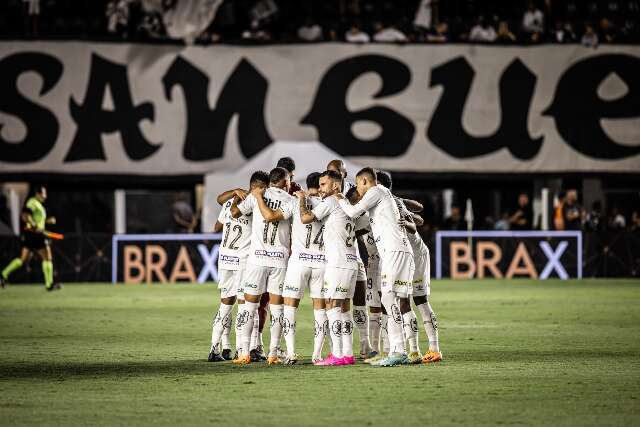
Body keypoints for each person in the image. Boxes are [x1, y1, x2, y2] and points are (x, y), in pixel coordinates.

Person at [335, 168, 415, 367]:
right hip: (400, 250)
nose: (358, 190)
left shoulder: (375, 191)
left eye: (357, 183)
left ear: (364, 180)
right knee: (395, 299)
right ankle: (400, 350)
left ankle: (399, 351)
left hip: (393, 252)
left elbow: (353, 211)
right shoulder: (383, 195)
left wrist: (340, 199)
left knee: (388, 297)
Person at [231, 167, 296, 365]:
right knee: (277, 309)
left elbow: (234, 212)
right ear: (286, 182)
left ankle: (244, 352)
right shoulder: (291, 200)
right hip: (279, 261)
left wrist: (240, 194)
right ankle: (273, 353)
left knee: (248, 307)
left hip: (257, 260)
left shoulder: (257, 194)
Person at [376, 171, 442, 364]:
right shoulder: (390, 202)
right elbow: (420, 215)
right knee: (408, 300)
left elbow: (416, 222)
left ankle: (426, 349)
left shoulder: (390, 202)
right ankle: (418, 350)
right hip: (411, 252)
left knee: (413, 299)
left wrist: (405, 216)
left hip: (412, 253)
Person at [208, 171, 269, 362]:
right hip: (243, 259)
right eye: (265, 189)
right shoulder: (255, 203)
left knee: (225, 304)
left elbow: (216, 227)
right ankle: (245, 350)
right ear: (260, 187)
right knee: (248, 304)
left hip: (225, 258)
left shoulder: (230, 201)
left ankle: (214, 348)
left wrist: (233, 197)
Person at [299, 170, 358, 366]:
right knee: (343, 308)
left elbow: (306, 218)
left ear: (335, 186)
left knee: (332, 306)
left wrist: (302, 199)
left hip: (338, 263)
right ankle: (347, 354)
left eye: (323, 184)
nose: (320, 188)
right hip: (351, 262)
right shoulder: (346, 203)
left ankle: (337, 355)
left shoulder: (332, 201)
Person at [281, 172, 327, 364]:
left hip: (299, 262)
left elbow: (274, 217)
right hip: (322, 263)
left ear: (307, 185)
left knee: (290, 307)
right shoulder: (329, 204)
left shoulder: (294, 201)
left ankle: (291, 353)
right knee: (321, 309)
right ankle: (317, 355)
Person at [1, 185, 60, 291]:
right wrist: (34, 226)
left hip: (31, 234)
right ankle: (49, 284)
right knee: (47, 257)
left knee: (23, 259)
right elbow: (25, 215)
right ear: (37, 194)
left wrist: (47, 221)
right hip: (35, 234)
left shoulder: (38, 204)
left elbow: (35, 219)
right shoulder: (32, 202)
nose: (45, 196)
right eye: (43, 193)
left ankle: (3, 274)